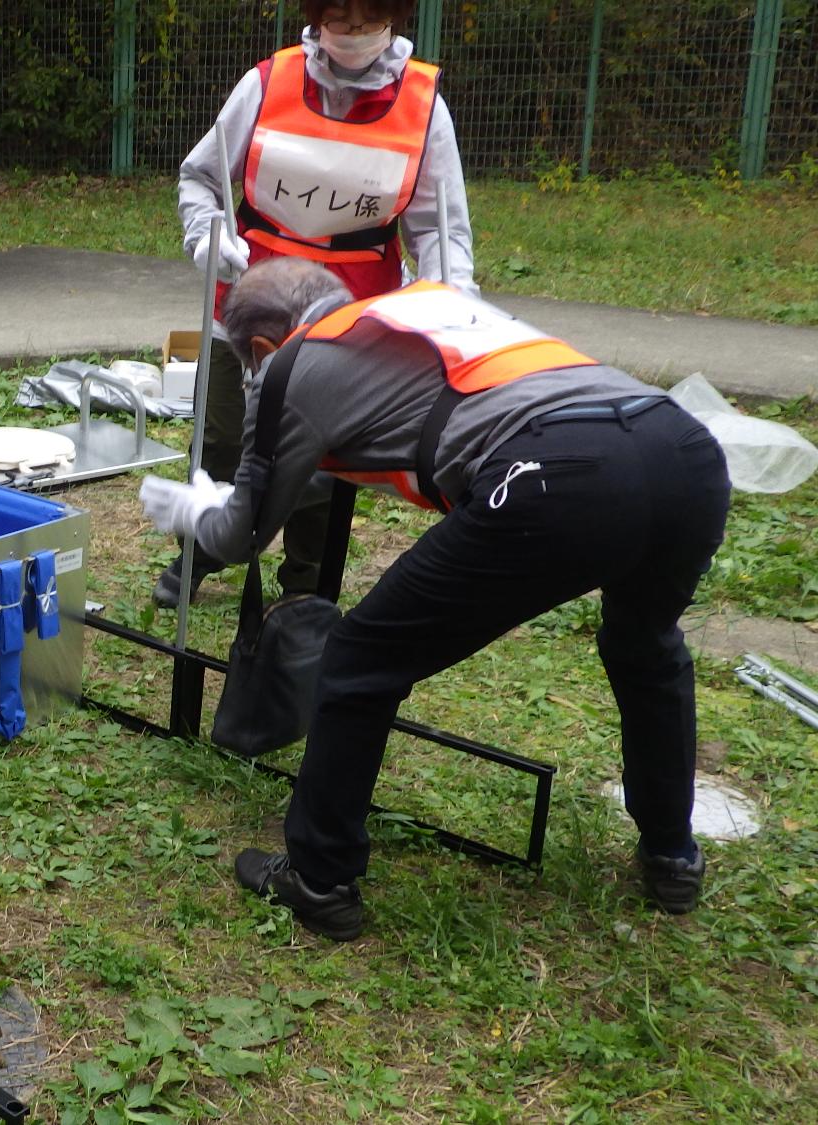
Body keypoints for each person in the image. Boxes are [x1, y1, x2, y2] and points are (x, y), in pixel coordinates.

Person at [139, 258, 729, 941]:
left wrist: (197, 511)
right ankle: (671, 854)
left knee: (361, 655)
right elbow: (353, 455)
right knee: (645, 643)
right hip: (683, 451)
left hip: (558, 472)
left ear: (264, 349)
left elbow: (240, 534)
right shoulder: (418, 310)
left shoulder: (291, 364)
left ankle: (319, 879)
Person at [156, 0, 477, 607]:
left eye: (369, 19)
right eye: (339, 18)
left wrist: (449, 301)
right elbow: (203, 176)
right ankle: (201, 551)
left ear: (396, 18)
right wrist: (208, 233)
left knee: (328, 460)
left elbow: (439, 226)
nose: (353, 34)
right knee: (224, 439)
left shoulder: (422, 106)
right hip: (249, 301)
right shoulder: (266, 83)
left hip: (349, 318)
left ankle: (305, 584)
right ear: (314, 17)